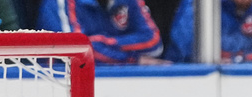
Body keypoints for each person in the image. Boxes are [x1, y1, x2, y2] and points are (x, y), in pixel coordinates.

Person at [36, 0, 167, 65]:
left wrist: (100, 43)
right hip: (63, 89)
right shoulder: (59, 2)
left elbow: (153, 42)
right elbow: (76, 51)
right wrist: (134, 59)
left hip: (120, 87)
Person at [165, 0, 252, 63]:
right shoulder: (201, 4)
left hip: (236, 80)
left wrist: (239, 59)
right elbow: (187, 49)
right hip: (186, 80)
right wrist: (248, 48)